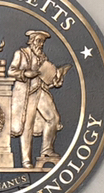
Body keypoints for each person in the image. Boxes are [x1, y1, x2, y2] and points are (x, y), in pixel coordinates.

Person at [9, 30, 70, 168]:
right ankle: (26, 160)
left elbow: (46, 76)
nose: (41, 44)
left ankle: (46, 150)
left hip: (41, 91)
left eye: (42, 42)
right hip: (26, 94)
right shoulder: (21, 54)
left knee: (53, 118)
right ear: (31, 41)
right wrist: (25, 73)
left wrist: (55, 80)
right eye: (38, 41)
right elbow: (11, 71)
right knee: (27, 126)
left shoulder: (42, 57)